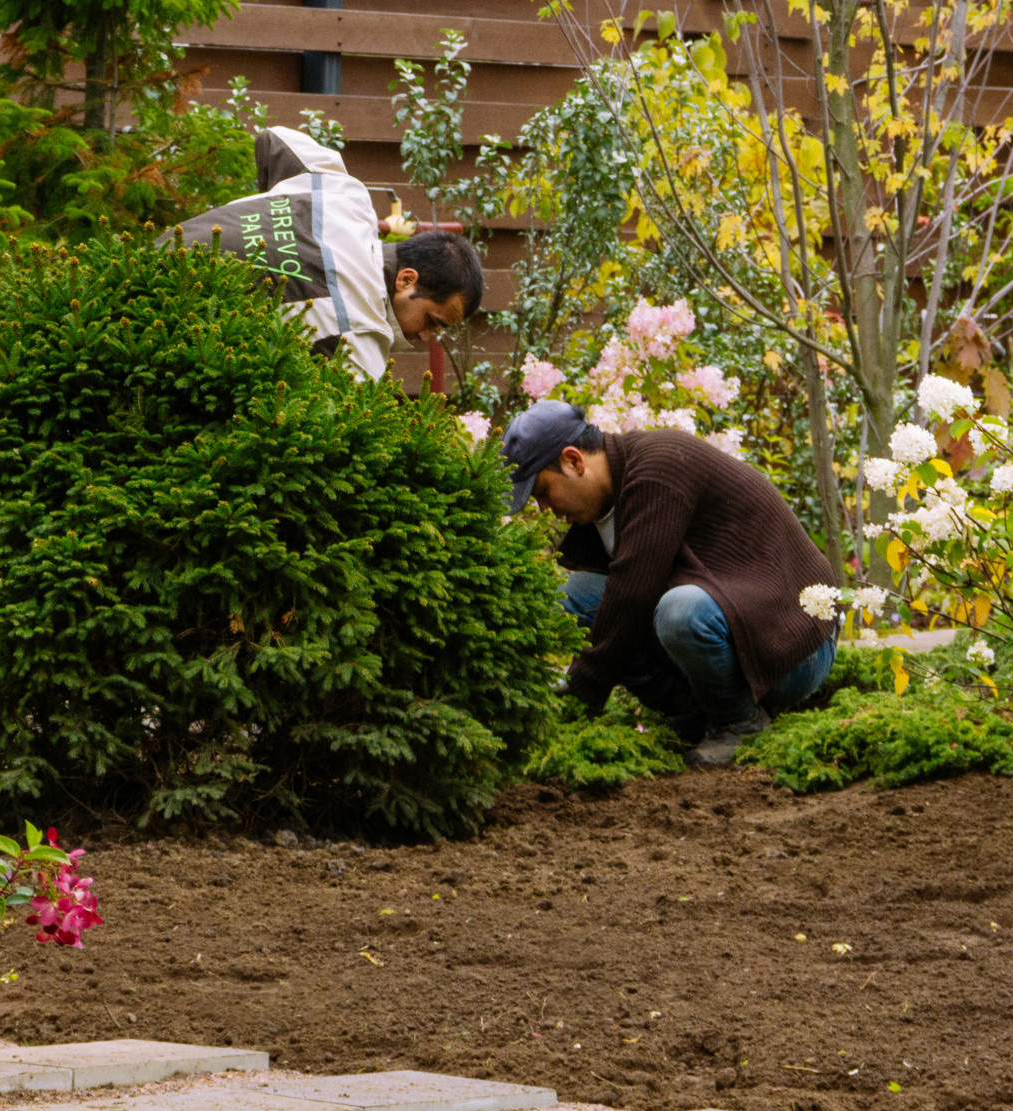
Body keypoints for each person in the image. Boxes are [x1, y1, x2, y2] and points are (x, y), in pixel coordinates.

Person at [503, 399, 837, 767]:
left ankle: (738, 724)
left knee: (680, 611)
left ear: (573, 461)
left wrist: (581, 689)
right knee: (577, 595)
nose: (545, 509)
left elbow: (633, 594)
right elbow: (614, 603)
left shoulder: (657, 466)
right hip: (739, 635)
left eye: (543, 493)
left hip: (793, 651)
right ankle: (689, 717)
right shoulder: (602, 506)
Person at [170, 124, 483, 381]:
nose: (427, 336)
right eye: (431, 320)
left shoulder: (345, 196)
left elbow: (276, 139)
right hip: (161, 323)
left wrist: (276, 220)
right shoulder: (358, 338)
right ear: (406, 280)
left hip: (145, 254)